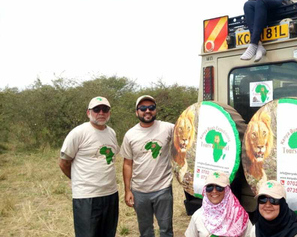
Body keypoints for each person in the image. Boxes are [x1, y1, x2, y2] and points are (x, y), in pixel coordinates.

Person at [59, 96, 119, 237]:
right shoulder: (78, 133)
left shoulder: (112, 133)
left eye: (105, 109)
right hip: (87, 196)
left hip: (110, 194)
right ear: (88, 112)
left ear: (109, 112)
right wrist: (80, 181)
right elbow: (64, 163)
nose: (101, 113)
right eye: (96, 109)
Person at [120, 95, 174, 237]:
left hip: (163, 188)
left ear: (155, 110)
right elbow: (127, 163)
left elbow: (187, 134)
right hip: (139, 190)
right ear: (137, 112)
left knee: (166, 230)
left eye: (151, 107)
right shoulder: (130, 135)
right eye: (143, 108)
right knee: (145, 231)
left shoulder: (168, 128)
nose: (147, 111)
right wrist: (127, 190)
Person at [185, 171, 252, 237]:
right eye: (209, 187)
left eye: (219, 187)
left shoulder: (240, 215)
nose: (214, 191)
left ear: (227, 191)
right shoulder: (198, 216)